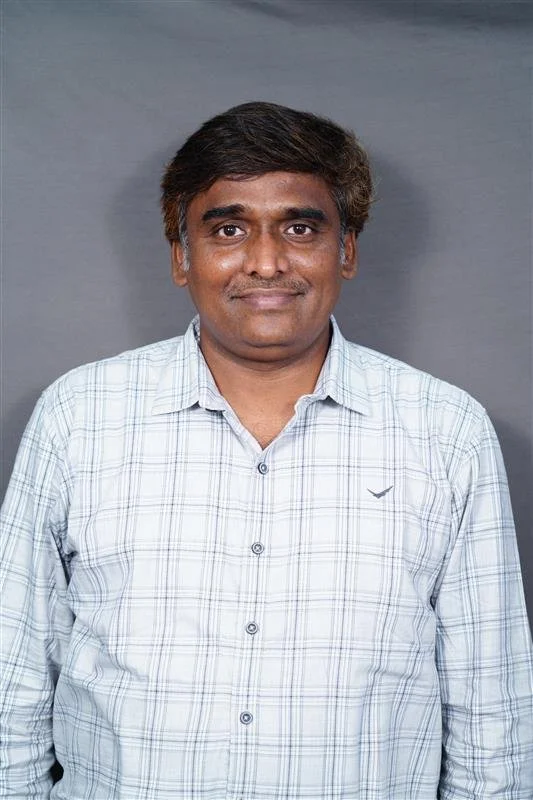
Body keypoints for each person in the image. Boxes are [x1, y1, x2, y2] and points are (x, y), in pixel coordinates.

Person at [1, 101, 532, 799]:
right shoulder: (78, 416)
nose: (265, 261)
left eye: (300, 227)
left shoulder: (445, 430)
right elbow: (13, 672)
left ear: (345, 250)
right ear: (180, 257)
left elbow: (489, 701)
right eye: (227, 228)